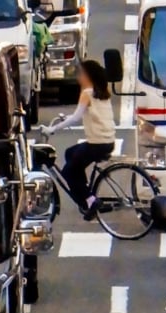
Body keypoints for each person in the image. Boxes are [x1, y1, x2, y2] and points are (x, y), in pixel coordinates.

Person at [40, 60, 116, 219]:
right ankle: (86, 194)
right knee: (70, 153)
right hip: (107, 142)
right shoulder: (101, 91)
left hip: (96, 144)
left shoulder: (87, 93)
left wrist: (52, 129)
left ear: (88, 76)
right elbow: (83, 114)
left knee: (68, 171)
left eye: (81, 73)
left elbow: (76, 117)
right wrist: (65, 119)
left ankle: (90, 200)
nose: (78, 77)